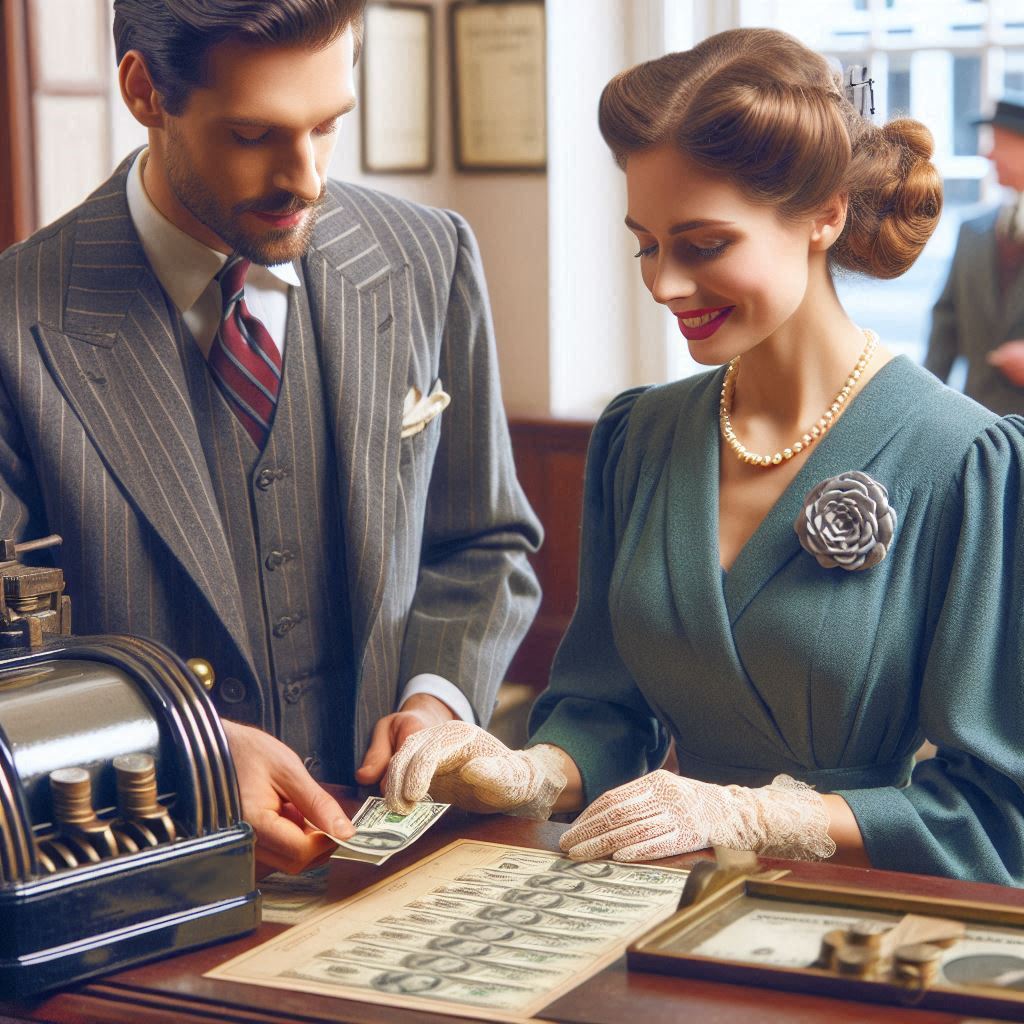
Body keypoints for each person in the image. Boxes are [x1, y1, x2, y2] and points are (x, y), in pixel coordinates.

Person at [385, 28, 1024, 886]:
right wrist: (534, 771)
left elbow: (995, 814)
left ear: (825, 214)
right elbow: (604, 712)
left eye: (703, 244)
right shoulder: (639, 436)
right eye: (646, 243)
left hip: (863, 932)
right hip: (664, 907)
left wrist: (762, 816)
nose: (663, 284)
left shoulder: (965, 460)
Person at [0, 0, 540, 874]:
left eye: (327, 126)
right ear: (145, 91)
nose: (309, 177)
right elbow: (9, 659)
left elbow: (481, 539)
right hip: (143, 877)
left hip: (395, 874)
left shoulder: (428, 253)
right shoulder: (13, 324)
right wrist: (192, 749)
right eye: (255, 134)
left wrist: (437, 699)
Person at [925, 96, 1024, 414]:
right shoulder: (973, 231)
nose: (988, 153)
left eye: (1001, 142)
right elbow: (946, 325)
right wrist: (920, 410)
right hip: (982, 430)